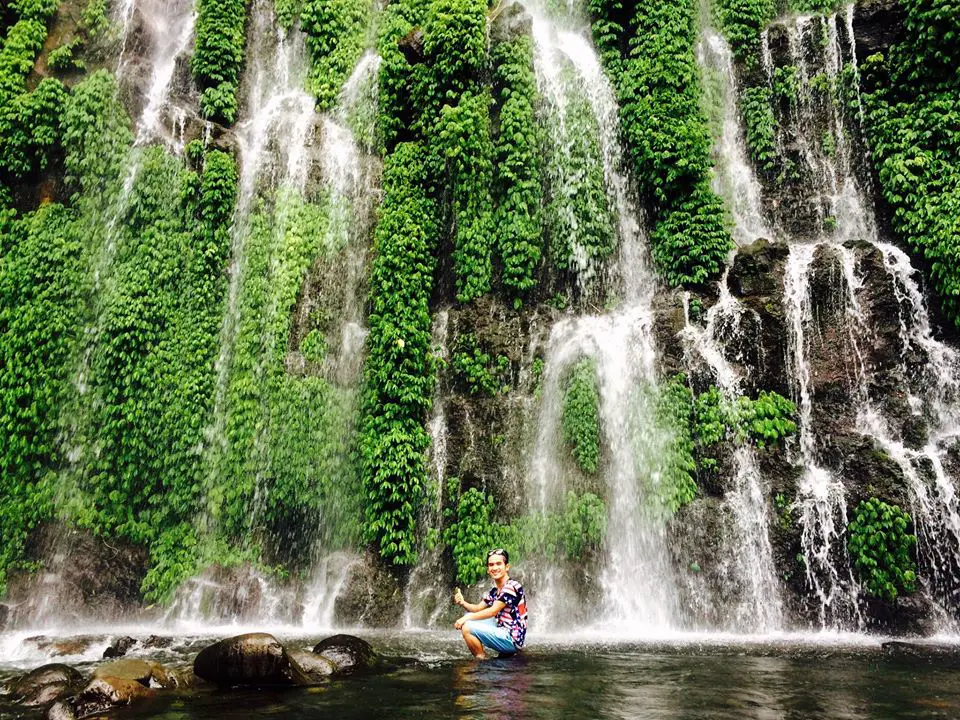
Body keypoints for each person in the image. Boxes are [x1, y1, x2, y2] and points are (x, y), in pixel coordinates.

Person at [452, 548, 527, 658]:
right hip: (502, 629)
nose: (494, 568)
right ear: (488, 569)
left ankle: (481, 659)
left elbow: (492, 611)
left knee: (467, 625)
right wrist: (463, 602)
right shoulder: (494, 591)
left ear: (507, 567)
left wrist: (466, 620)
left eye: (498, 564)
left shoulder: (512, 587)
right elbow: (477, 608)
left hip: (512, 638)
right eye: (491, 565)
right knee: (468, 616)